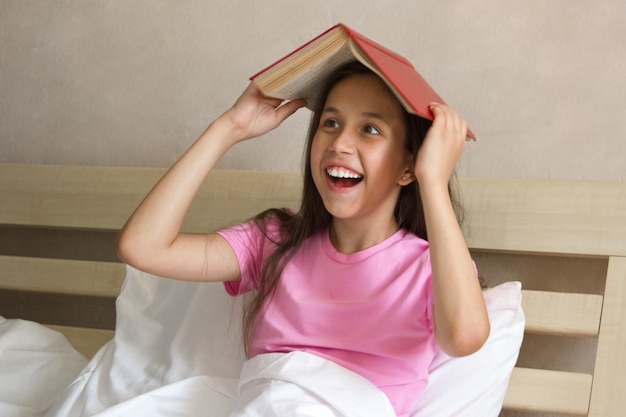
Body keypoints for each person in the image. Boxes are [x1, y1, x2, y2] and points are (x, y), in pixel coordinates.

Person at [116, 61, 490, 416]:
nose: (340, 143)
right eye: (330, 122)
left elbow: (464, 337)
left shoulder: (429, 266)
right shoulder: (275, 241)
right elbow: (142, 247)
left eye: (370, 129)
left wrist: (434, 182)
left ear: (408, 167)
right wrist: (228, 128)